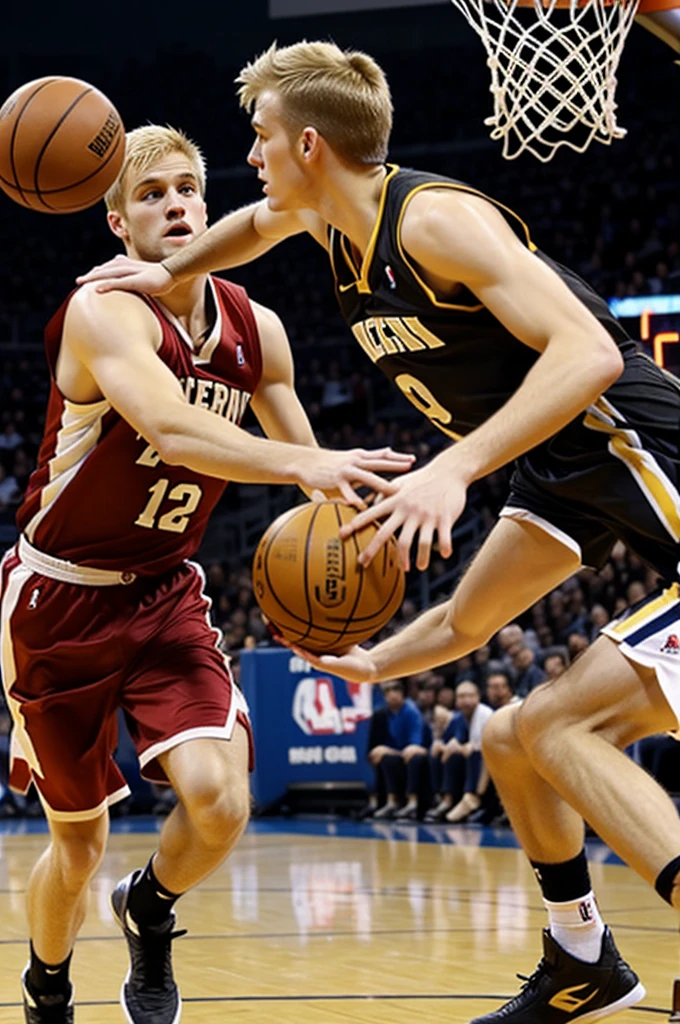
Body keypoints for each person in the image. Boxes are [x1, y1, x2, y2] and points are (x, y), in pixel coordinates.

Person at [78, 41, 680, 1024]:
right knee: (502, 734)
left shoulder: (433, 219)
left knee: (554, 724)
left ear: (308, 143)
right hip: (565, 479)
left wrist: (452, 466)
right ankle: (583, 959)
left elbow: (586, 350)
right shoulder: (328, 227)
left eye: (260, 136)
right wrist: (370, 665)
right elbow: (462, 626)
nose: (253, 154)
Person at [1, 123, 412, 1024]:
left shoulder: (255, 327)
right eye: (150, 194)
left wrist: (371, 520)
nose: (176, 203)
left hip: (163, 591)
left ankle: (148, 910)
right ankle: (47, 988)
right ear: (117, 223)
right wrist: (310, 469)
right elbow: (175, 431)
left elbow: (310, 467)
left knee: (222, 803)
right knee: (78, 847)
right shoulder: (102, 310)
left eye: (188, 187)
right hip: (57, 601)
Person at [368, 679, 429, 820]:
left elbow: (413, 748)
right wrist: (385, 751)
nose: (392, 695)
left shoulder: (411, 711)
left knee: (412, 758)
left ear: (403, 693)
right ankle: (391, 803)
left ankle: (412, 804)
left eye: (396, 691)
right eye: (388, 692)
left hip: (422, 752)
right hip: (403, 754)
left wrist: (387, 750)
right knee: (384, 758)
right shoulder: (387, 714)